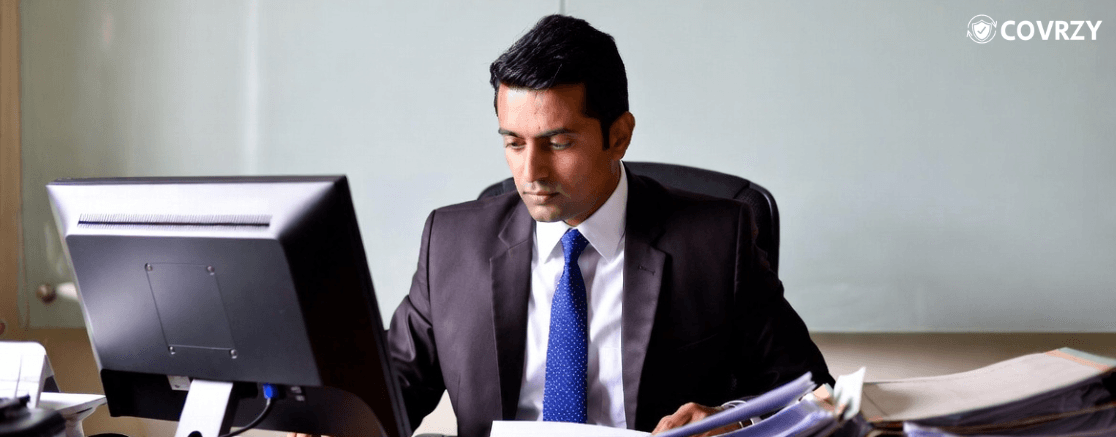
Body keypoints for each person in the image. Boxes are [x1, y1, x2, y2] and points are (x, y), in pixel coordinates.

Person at [387, 14, 833, 437]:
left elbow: (812, 394)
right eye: (514, 142)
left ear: (618, 136)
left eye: (557, 143)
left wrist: (734, 422)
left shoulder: (717, 241)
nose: (530, 172)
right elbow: (387, 393)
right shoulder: (451, 242)